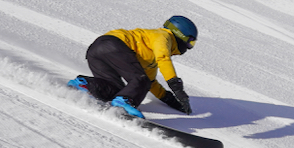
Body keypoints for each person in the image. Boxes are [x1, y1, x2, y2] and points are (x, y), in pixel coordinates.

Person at [68, 16, 197, 119]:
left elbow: (151, 82)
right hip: (115, 45)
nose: (190, 46)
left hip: (97, 51)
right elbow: (163, 59)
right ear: (180, 34)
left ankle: (84, 84)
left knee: (116, 89)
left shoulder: (150, 53)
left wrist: (173, 101)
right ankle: (123, 104)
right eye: (191, 42)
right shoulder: (163, 36)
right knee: (140, 80)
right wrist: (177, 88)